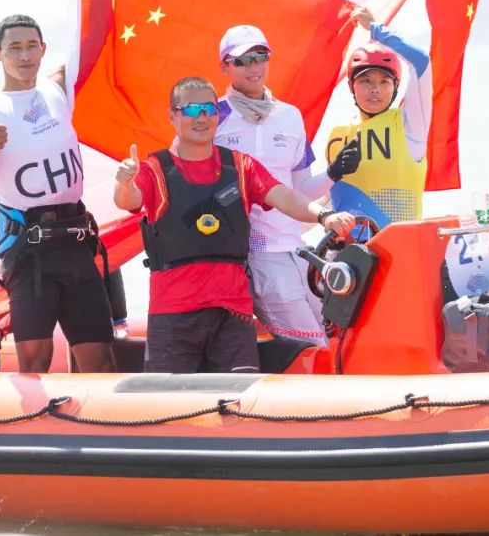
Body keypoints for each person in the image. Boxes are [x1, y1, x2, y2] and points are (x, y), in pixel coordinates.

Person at [113, 76, 355, 374]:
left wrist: (323, 215)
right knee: (169, 399)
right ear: (173, 116)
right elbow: (127, 200)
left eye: (210, 109)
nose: (202, 118)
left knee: (239, 398)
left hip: (233, 317)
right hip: (173, 316)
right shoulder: (154, 169)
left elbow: (285, 196)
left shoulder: (241, 166)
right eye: (191, 110)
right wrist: (124, 182)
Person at [0, 14, 115, 374]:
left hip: (76, 243)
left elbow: (93, 40)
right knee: (35, 361)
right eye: (14, 48)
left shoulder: (57, 88)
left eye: (32, 46)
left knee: (101, 362)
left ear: (43, 49)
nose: (25, 55)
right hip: (29, 253)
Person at [214, 24, 361, 347]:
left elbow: (301, 189)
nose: (254, 66)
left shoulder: (290, 116)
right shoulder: (211, 117)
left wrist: (334, 173)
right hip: (256, 256)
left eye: (260, 56)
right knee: (313, 348)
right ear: (225, 67)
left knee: (337, 339)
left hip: (298, 250)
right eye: (243, 60)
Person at [326, 7, 432, 229]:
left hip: (399, 247)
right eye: (366, 81)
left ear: (395, 87)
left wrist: (376, 29)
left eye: (384, 82)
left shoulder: (410, 127)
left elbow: (420, 61)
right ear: (351, 86)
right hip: (348, 250)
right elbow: (325, 198)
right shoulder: (338, 134)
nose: (375, 89)